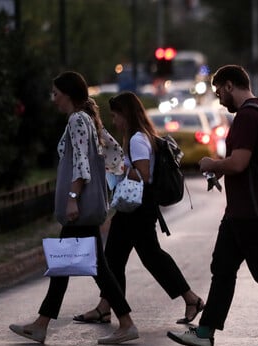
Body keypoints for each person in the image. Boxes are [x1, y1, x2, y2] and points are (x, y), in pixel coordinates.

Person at [166, 65, 258, 346]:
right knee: (223, 269)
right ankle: (205, 332)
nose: (218, 99)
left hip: (252, 211)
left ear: (230, 86)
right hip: (242, 209)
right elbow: (247, 163)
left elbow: (239, 162)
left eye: (219, 92)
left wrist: (212, 164)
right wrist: (220, 171)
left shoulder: (247, 117)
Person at [9, 71, 138, 345]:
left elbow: (81, 162)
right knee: (69, 265)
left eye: (55, 93)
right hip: (84, 207)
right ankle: (42, 324)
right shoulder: (88, 119)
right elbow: (113, 153)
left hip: (78, 207)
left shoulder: (78, 119)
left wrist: (71, 197)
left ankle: (125, 323)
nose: (53, 99)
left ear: (67, 94)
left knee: (86, 267)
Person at [73, 91, 205, 326]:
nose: (115, 121)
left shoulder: (137, 139)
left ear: (126, 114)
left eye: (115, 115)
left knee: (149, 257)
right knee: (115, 257)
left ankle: (191, 298)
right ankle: (105, 307)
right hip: (134, 209)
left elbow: (144, 175)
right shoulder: (140, 137)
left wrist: (120, 170)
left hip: (138, 208)